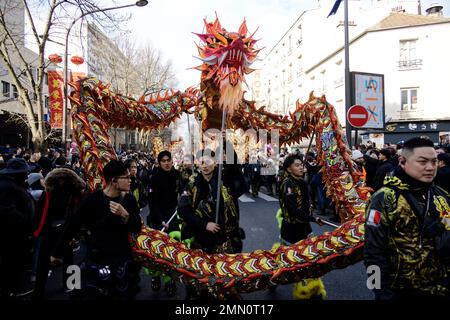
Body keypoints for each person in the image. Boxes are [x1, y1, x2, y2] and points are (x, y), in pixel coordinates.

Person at [364, 137, 450, 300]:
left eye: (434, 162)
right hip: (402, 292)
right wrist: (380, 292)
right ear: (402, 161)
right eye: (422, 162)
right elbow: (372, 253)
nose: (430, 168)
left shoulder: (442, 195)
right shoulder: (384, 198)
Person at [51, 159, 143, 300]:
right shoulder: (93, 199)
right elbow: (73, 225)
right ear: (113, 180)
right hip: (97, 257)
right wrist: (57, 252)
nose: (130, 180)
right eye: (126, 177)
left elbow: (137, 227)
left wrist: (125, 216)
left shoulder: (129, 200)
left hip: (121, 259)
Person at [32, 168, 86, 300]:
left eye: (63, 179)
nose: (61, 181)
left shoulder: (58, 192)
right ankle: (69, 285)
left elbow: (40, 212)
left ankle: (40, 290)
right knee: (64, 259)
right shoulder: (69, 192)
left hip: (59, 228)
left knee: (61, 259)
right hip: (59, 229)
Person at [278, 154, 326, 299]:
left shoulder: (303, 182)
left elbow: (306, 204)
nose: (301, 167)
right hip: (291, 229)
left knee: (309, 259)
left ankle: (311, 289)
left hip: (305, 228)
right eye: (297, 165)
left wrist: (311, 215)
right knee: (287, 262)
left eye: (301, 164)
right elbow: (293, 210)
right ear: (289, 168)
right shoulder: (287, 184)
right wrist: (313, 218)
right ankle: (274, 280)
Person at [146, 151, 181, 296]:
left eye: (169, 160)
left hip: (173, 218)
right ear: (159, 163)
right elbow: (152, 202)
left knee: (172, 251)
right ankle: (155, 277)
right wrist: (160, 219)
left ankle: (170, 280)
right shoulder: (154, 178)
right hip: (158, 219)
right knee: (157, 252)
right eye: (164, 161)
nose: (167, 163)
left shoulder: (177, 175)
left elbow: (184, 191)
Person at [0, 158, 34, 299]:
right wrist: (24, 220)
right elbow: (6, 210)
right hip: (12, 233)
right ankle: (11, 289)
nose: (26, 175)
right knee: (11, 262)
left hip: (16, 232)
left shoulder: (12, 184)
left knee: (14, 261)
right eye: (24, 172)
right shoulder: (7, 186)